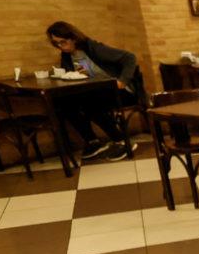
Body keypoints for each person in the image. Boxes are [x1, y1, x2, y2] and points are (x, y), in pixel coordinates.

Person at [46, 21, 141, 161]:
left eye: (63, 42)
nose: (60, 46)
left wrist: (123, 80)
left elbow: (129, 57)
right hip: (97, 91)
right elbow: (73, 76)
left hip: (121, 91)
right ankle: (92, 141)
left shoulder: (92, 48)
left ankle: (122, 141)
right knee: (62, 103)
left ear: (73, 38)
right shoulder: (66, 56)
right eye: (56, 44)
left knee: (90, 103)